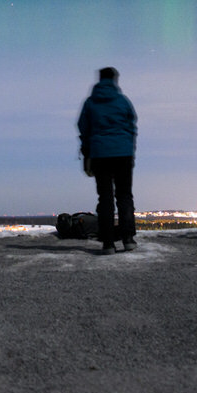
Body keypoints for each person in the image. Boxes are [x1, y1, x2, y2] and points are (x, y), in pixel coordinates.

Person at [77, 66, 138, 253]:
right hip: (123, 154)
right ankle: (128, 238)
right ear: (114, 80)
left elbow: (83, 127)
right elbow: (132, 125)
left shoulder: (90, 103)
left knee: (105, 198)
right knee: (124, 196)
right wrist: (129, 148)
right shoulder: (122, 101)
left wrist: (87, 150)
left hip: (100, 154)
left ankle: (108, 243)